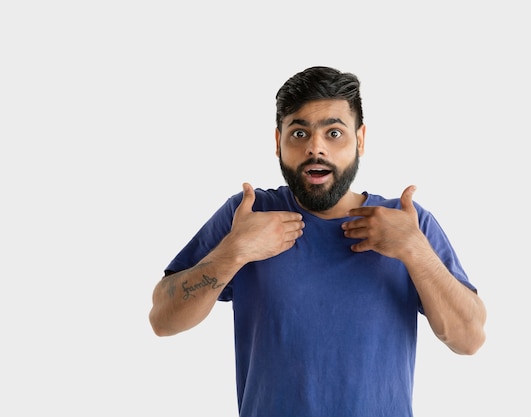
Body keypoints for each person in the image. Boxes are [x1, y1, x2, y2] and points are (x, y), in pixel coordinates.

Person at [149, 66, 487, 417]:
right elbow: (163, 318)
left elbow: (469, 338)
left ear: (360, 139)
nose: (315, 148)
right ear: (277, 141)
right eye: (298, 132)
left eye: (334, 133)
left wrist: (415, 251)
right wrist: (234, 252)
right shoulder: (247, 215)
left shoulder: (407, 223)